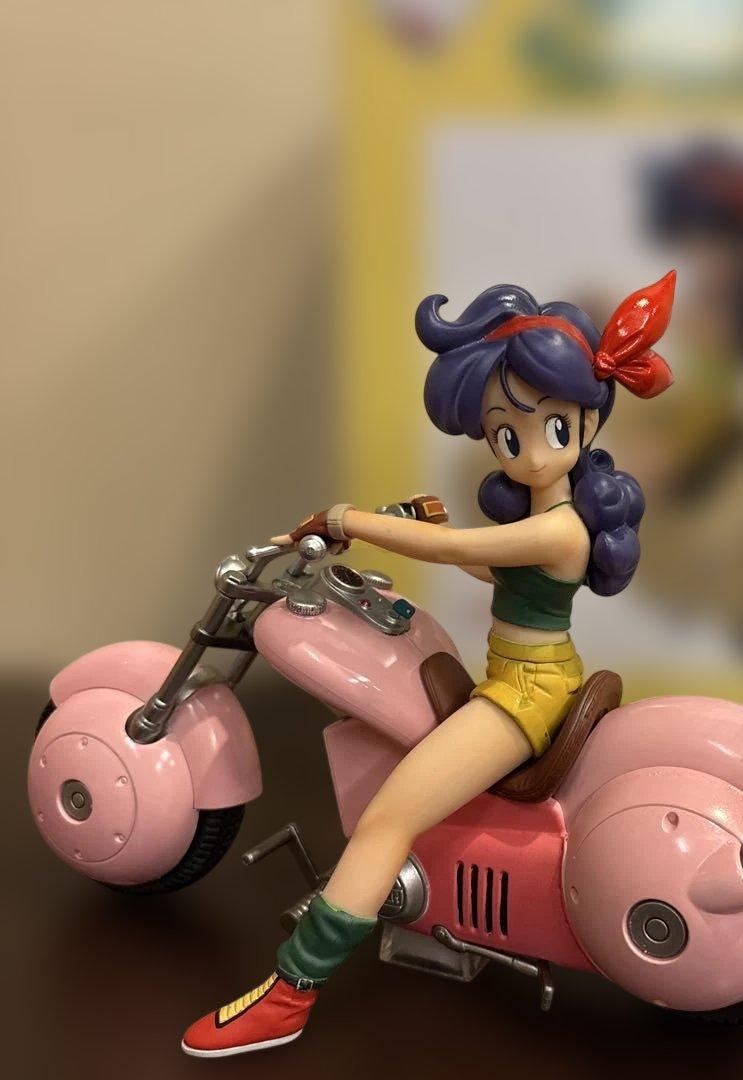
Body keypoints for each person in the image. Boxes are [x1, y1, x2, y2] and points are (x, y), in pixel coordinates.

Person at [181, 272, 676, 1057]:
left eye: (551, 427)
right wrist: (409, 527)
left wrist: (352, 518)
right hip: (519, 680)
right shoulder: (541, 526)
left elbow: (462, 551)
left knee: (387, 821)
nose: (527, 451)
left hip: (525, 696)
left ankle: (289, 994)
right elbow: (481, 562)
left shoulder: (561, 529)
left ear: (588, 419)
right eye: (505, 435)